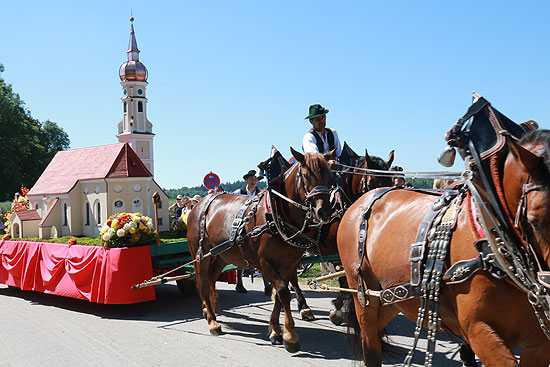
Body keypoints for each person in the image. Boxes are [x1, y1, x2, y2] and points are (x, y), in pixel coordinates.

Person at [233, 169, 271, 295]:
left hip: (258, 225)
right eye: (251, 178)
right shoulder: (239, 193)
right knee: (240, 250)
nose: (254, 180)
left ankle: (267, 285)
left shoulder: (262, 193)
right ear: (246, 179)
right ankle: (239, 282)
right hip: (242, 225)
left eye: (256, 178)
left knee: (263, 254)